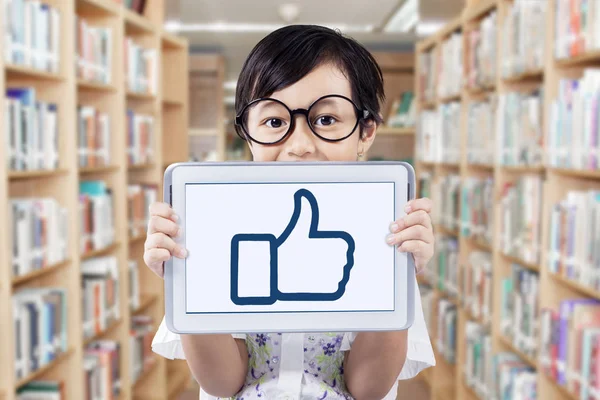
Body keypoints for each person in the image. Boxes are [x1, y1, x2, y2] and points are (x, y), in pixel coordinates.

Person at [147, 24, 436, 400]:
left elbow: (368, 388)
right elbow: (221, 383)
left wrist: (398, 272)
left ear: (366, 131)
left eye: (326, 120)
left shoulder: (387, 232)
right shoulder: (216, 226)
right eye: (274, 122)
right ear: (246, 132)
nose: (299, 145)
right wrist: (186, 279)